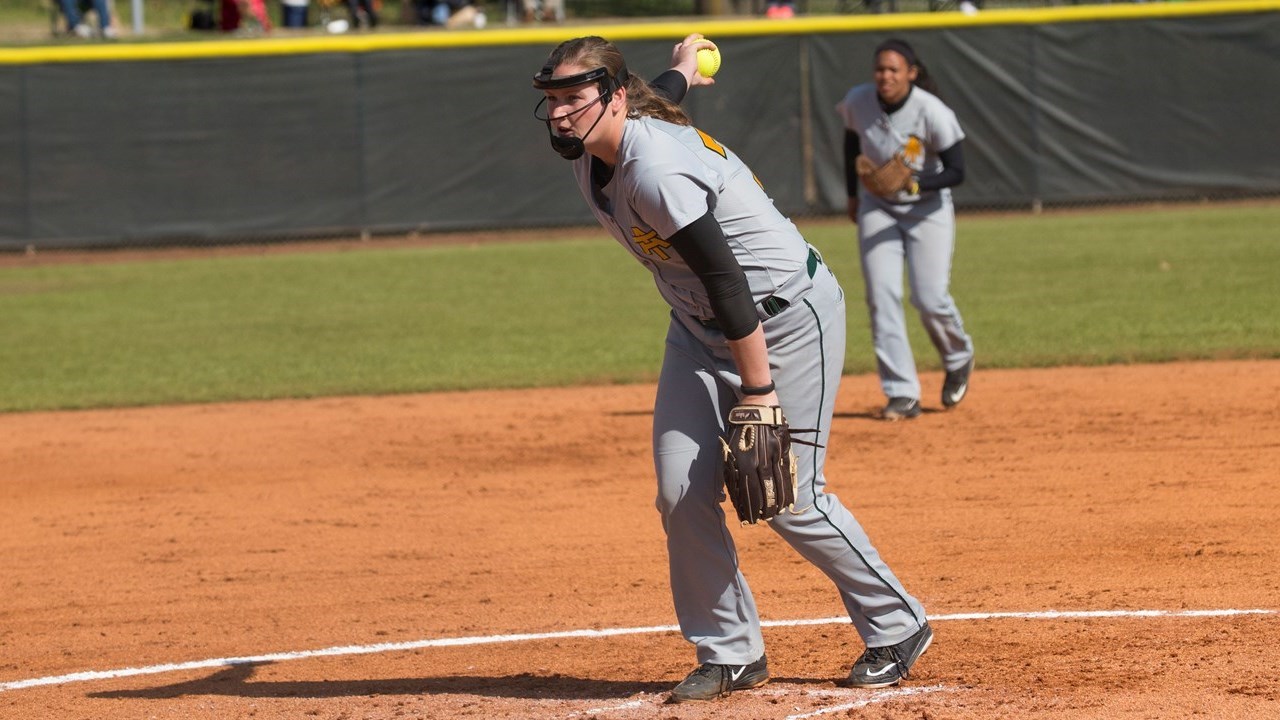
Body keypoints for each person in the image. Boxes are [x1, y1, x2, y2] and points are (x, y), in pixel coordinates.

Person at [531, 34, 933, 703]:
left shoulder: (653, 168)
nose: (561, 114)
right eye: (552, 100)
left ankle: (898, 623)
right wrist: (685, 68)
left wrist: (759, 393)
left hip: (782, 319)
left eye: (574, 98)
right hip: (695, 329)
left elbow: (729, 283)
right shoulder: (609, 135)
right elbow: (665, 91)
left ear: (614, 97)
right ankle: (731, 652)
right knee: (680, 491)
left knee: (788, 497)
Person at [836, 38, 975, 421]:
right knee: (882, 296)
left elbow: (957, 171)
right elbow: (851, 145)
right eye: (880, 69)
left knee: (929, 298)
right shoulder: (859, 101)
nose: (885, 76)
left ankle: (958, 355)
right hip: (877, 207)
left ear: (911, 73)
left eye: (894, 69)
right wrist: (852, 195)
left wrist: (917, 185)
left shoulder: (932, 111)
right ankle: (901, 393)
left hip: (927, 209)